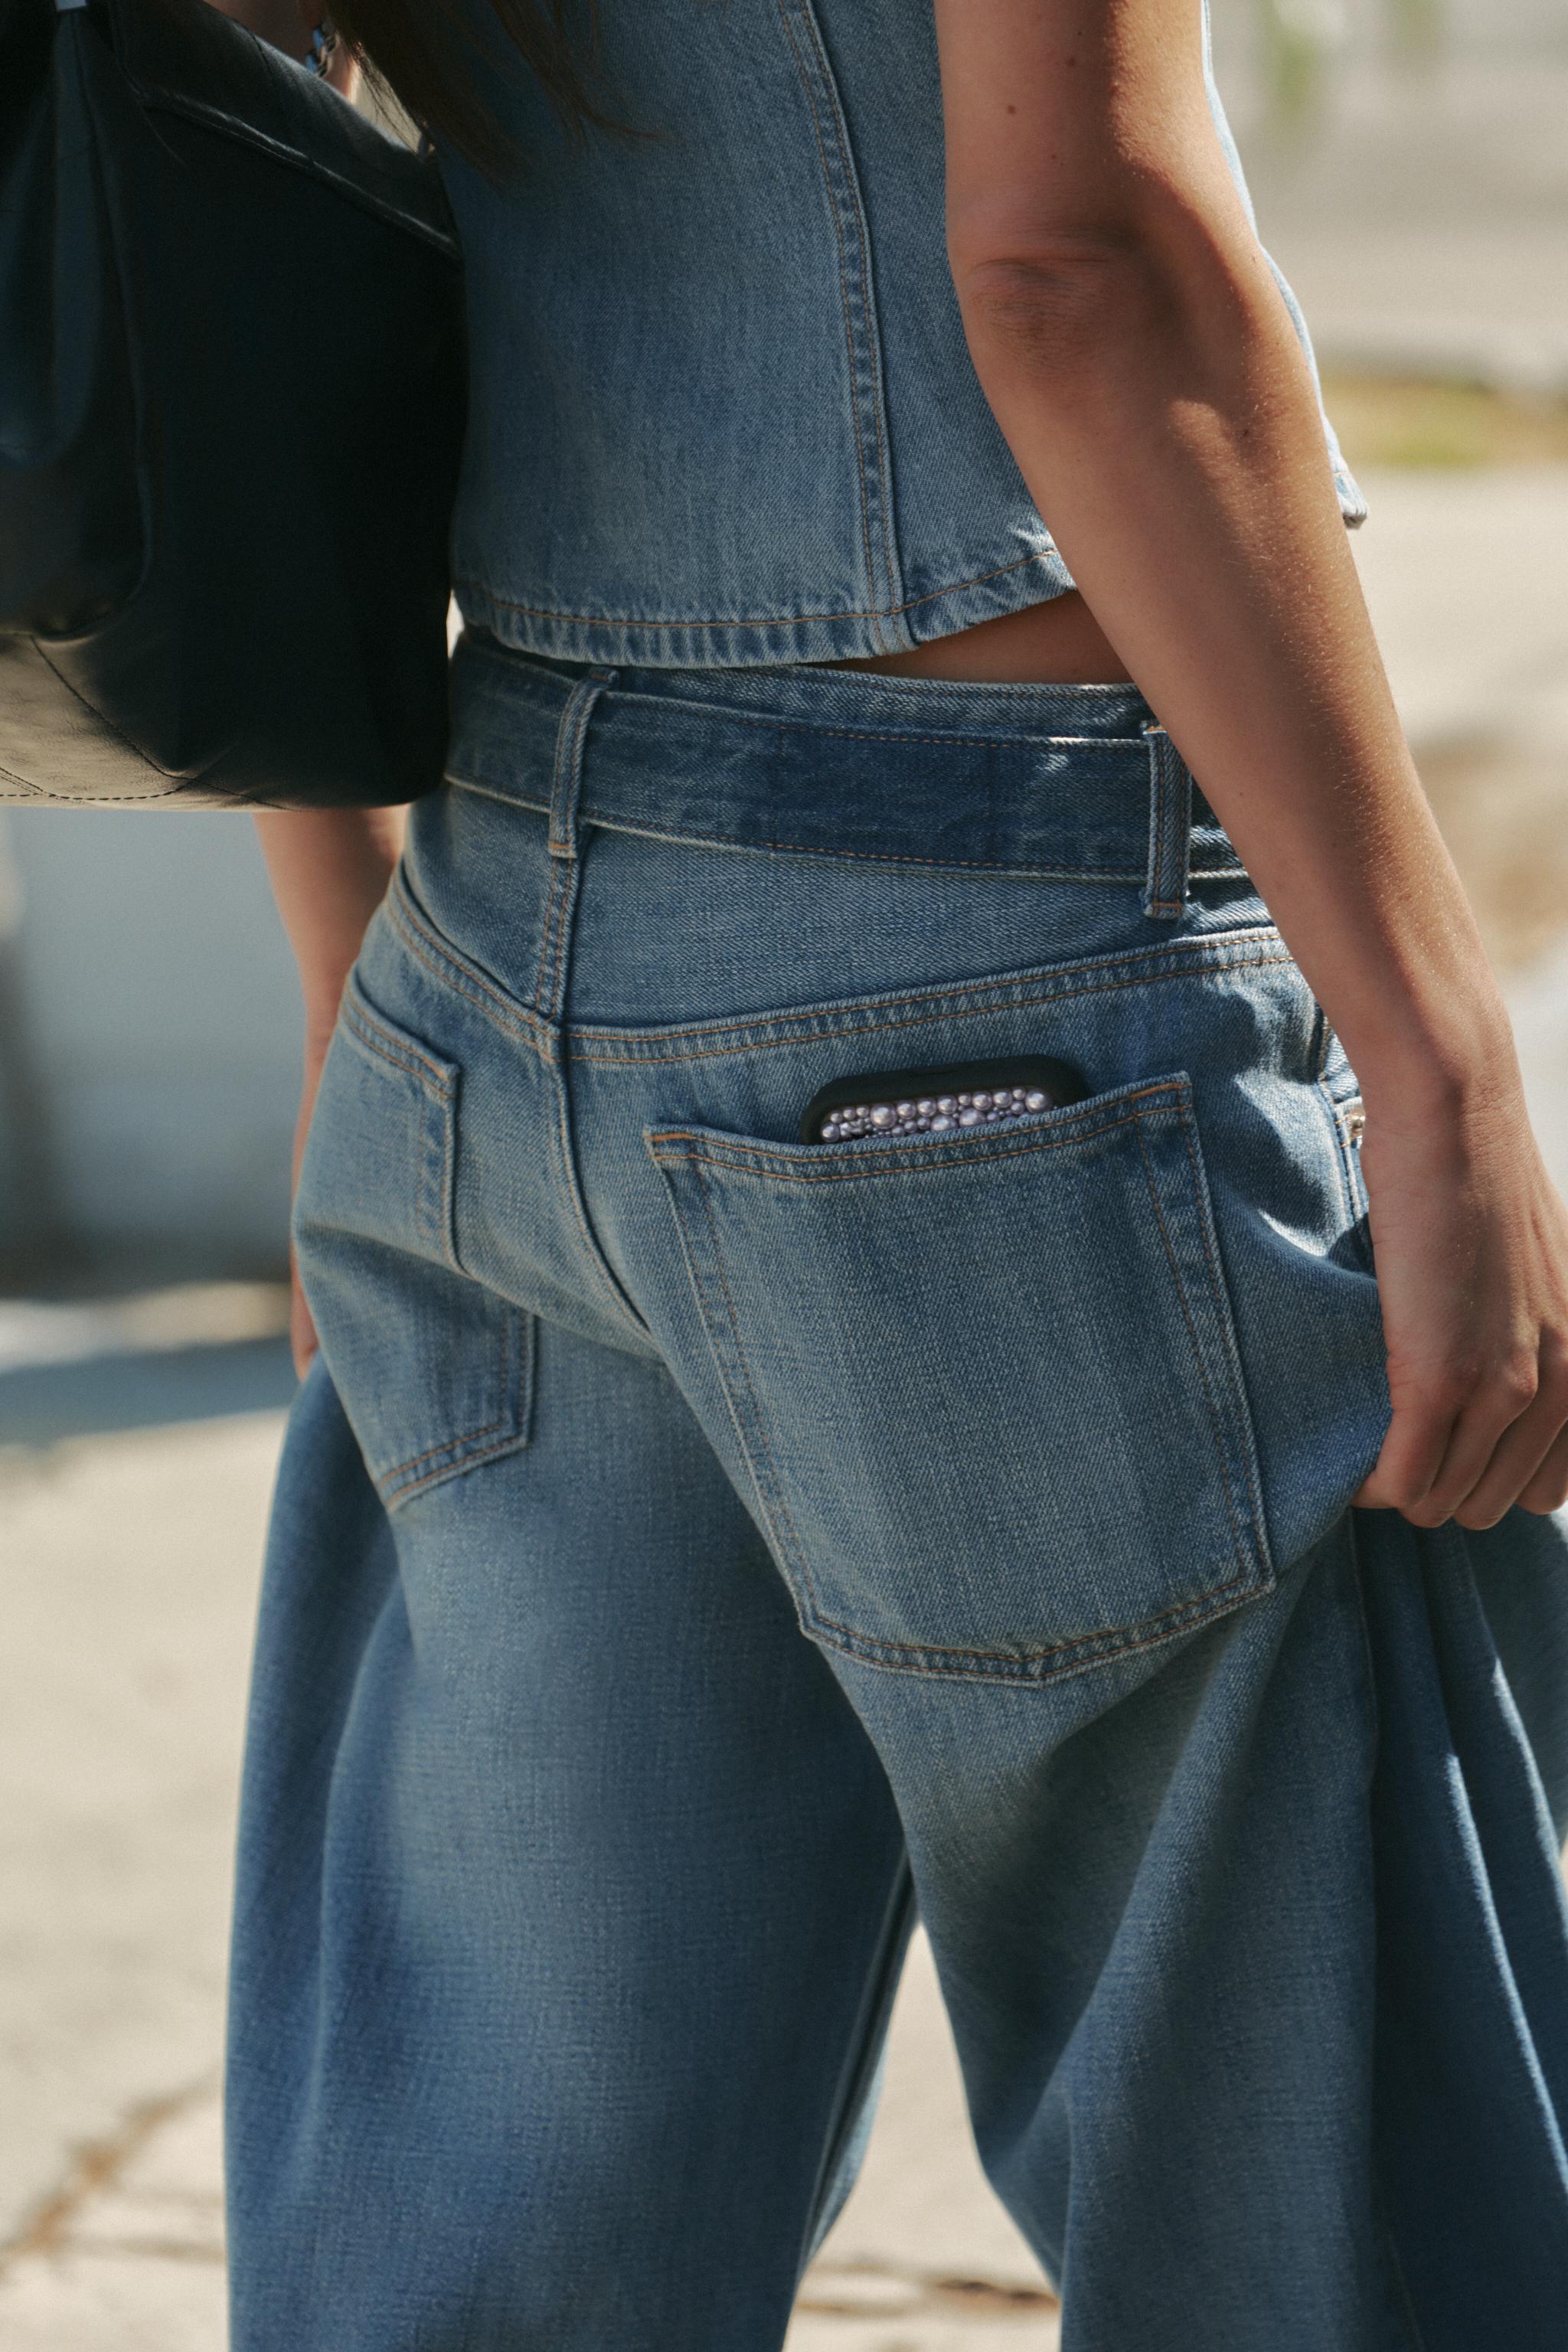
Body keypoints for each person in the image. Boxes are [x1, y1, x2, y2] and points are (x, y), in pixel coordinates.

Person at [220, 2, 1568, 2344]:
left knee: (490, 2272)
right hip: (1010, 962)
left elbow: (209, 205)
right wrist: (1441, 1058)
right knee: (1342, 2231)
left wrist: (354, 970)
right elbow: (1073, 257)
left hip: (491, 944)